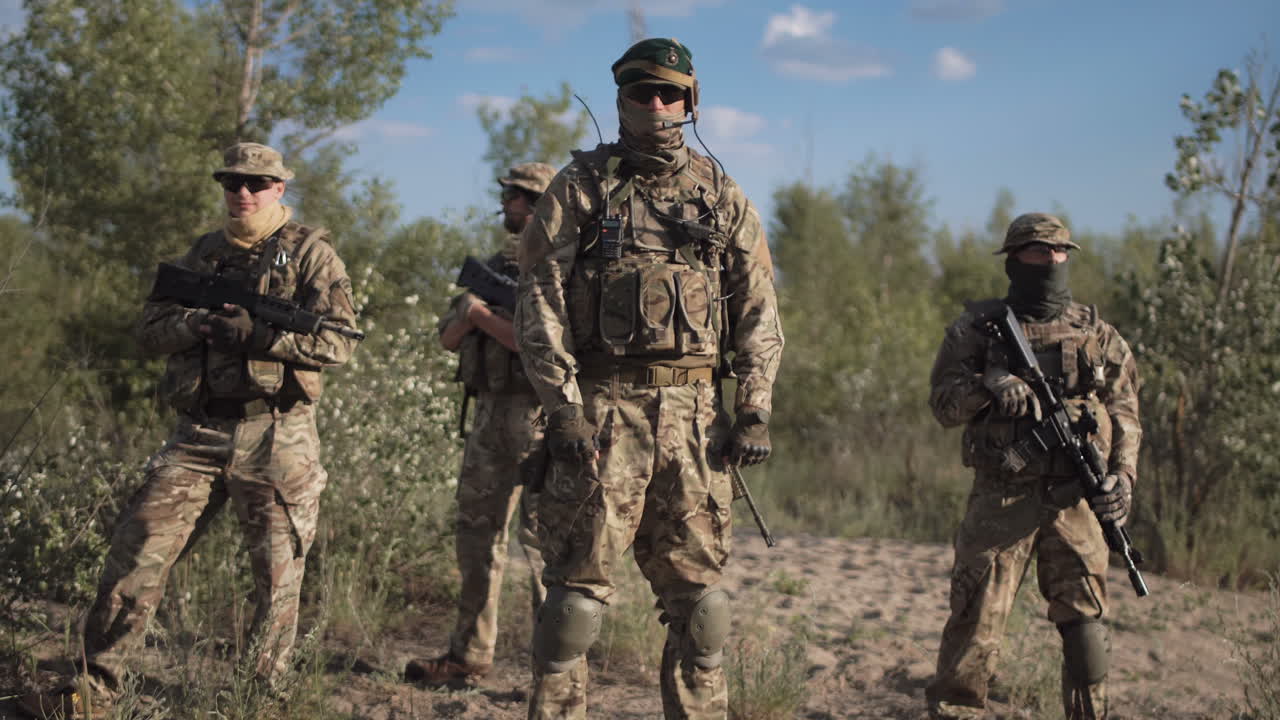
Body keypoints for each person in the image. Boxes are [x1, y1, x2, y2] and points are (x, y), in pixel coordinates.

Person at [20, 142, 360, 718]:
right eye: (231, 181)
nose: (242, 192)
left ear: (280, 188)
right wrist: (197, 324)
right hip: (198, 433)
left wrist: (260, 337)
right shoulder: (202, 256)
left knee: (276, 580)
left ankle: (257, 699)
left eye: (256, 182)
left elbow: (339, 342)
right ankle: (92, 690)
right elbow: (149, 330)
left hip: (277, 434)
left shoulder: (312, 256)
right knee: (137, 551)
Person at [513, 38, 784, 720]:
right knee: (574, 605)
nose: (655, 105)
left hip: (695, 421)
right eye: (641, 92)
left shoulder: (721, 194)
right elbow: (538, 300)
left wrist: (752, 409)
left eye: (669, 93)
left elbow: (757, 309)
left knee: (702, 610)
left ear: (691, 103)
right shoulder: (579, 188)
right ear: (621, 100)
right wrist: (564, 409)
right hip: (603, 418)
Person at [925, 213, 1141, 720]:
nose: (1051, 261)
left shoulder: (1097, 334)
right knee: (973, 630)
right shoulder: (975, 331)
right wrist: (989, 386)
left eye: (1060, 251)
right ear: (1014, 260)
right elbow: (942, 407)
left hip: (1076, 499)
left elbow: (1126, 409)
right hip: (1002, 497)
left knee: (1087, 631)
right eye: (1039, 252)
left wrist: (1122, 476)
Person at [403, 162, 557, 687]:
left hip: (543, 422)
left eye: (520, 196)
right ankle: (468, 656)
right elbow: (447, 337)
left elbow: (528, 342)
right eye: (510, 195)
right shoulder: (494, 268)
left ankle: (553, 670)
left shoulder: (562, 269)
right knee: (476, 540)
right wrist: (474, 312)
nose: (510, 204)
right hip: (490, 416)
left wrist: (481, 317)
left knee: (543, 550)